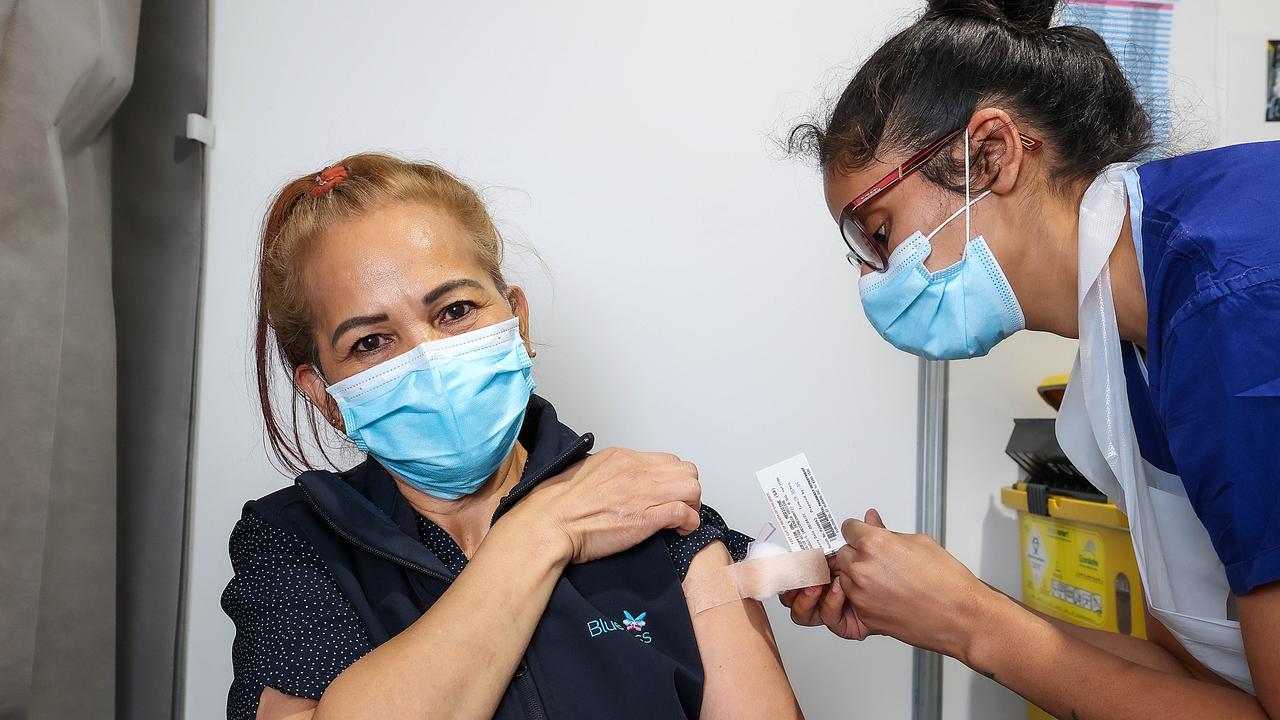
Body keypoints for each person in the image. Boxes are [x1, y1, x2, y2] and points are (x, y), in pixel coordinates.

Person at [781, 0, 1280, 717]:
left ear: (992, 154)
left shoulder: (1235, 312)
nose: (874, 282)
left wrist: (970, 621)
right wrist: (938, 604)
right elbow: (1199, 680)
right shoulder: (1135, 353)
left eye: (879, 235)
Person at [221, 154, 803, 720]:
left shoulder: (649, 511)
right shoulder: (292, 546)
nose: (429, 359)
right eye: (370, 342)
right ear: (324, 395)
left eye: (454, 311)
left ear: (517, 321)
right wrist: (544, 530)